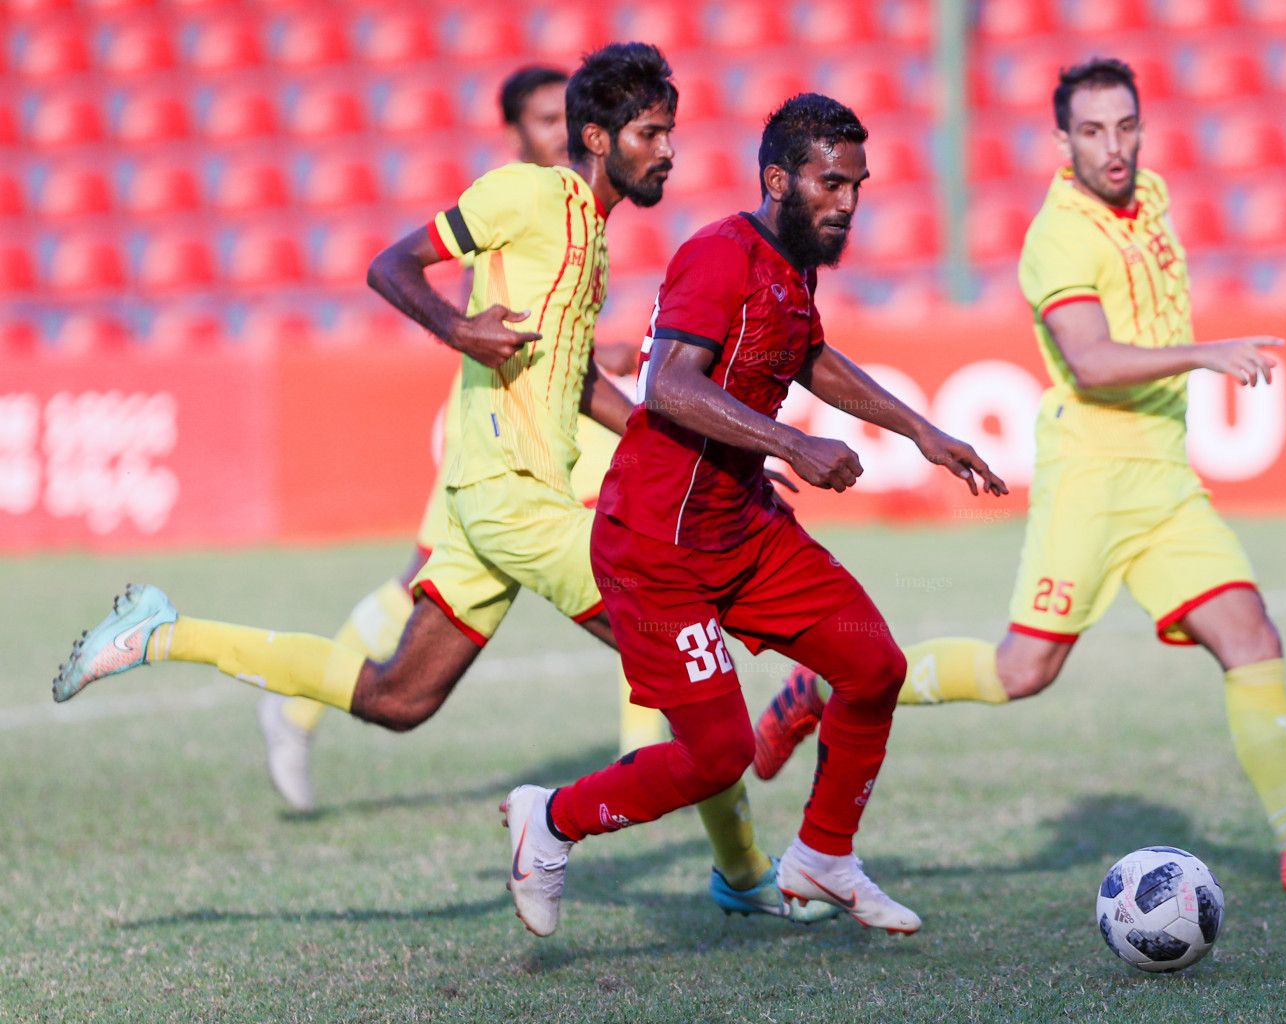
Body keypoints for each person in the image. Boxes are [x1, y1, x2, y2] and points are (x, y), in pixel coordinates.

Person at [52, 43, 828, 925]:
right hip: (514, 499)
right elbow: (390, 266)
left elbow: (573, 380)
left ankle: (162, 630)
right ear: (596, 137)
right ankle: (744, 875)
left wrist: (708, 445)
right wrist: (459, 330)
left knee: (397, 697)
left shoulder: (590, 237)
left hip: (484, 506)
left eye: (671, 132)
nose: (669, 151)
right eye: (651, 133)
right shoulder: (526, 194)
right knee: (693, 659)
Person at [750, 59, 1286, 894]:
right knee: (1022, 671)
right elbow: (1091, 362)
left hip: (1164, 476)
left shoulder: (1152, 199)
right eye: (1092, 132)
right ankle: (825, 684)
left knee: (1251, 638)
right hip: (1093, 474)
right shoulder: (1057, 236)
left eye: (1125, 126)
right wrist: (1204, 353)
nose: (1114, 147)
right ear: (1062, 141)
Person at [501, 93, 1010, 939]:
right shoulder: (716, 254)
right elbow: (666, 385)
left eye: (858, 184)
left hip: (743, 528)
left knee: (872, 666)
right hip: (655, 545)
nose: (847, 202)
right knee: (716, 757)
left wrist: (922, 430)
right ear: (778, 179)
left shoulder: (791, 260)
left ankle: (822, 857)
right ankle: (550, 820)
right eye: (830, 184)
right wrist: (791, 442)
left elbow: (807, 353)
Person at [255, 64, 662, 814]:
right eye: (542, 121)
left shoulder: (588, 214)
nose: (555, 132)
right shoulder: (518, 193)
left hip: (553, 411)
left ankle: (648, 759)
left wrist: (600, 361)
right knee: (423, 580)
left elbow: (556, 314)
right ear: (521, 133)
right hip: (492, 412)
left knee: (629, 566)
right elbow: (463, 290)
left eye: (558, 117)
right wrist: (461, 331)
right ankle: (295, 703)